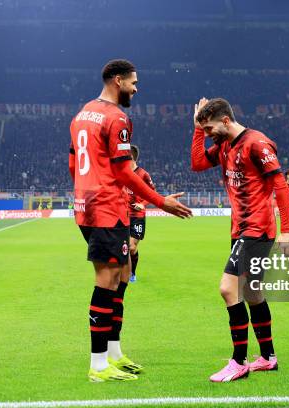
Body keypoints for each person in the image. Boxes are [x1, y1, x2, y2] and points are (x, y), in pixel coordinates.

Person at [68, 59, 192, 382]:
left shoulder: (82, 114)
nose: (136, 88)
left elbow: (72, 164)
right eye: (133, 83)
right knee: (106, 280)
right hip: (107, 208)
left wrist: (88, 189)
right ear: (118, 80)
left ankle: (113, 353)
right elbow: (125, 170)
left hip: (90, 207)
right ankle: (98, 366)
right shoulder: (117, 118)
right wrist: (160, 200)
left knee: (122, 275)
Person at [191, 97, 289, 382]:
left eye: (210, 129)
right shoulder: (224, 145)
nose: (208, 135)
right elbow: (198, 163)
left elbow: (280, 187)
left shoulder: (257, 144)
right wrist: (198, 129)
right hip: (240, 229)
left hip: (257, 229)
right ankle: (268, 357)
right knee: (252, 292)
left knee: (228, 289)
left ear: (225, 120)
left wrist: (286, 229)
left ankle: (239, 362)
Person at [126, 145, 155, 283]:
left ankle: (132, 273)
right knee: (123, 247)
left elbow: (152, 193)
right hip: (123, 215)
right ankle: (124, 273)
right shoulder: (122, 173)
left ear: (130, 157)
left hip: (137, 217)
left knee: (132, 247)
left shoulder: (143, 174)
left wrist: (142, 204)